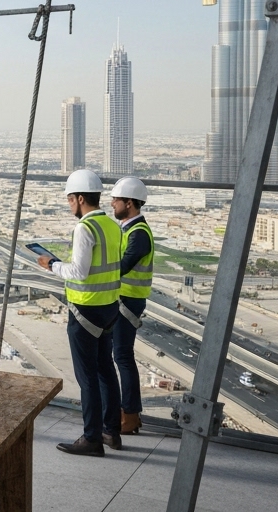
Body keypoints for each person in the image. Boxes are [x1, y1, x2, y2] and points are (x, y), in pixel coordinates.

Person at [36, 169, 123, 456]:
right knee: (106, 371)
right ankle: (111, 431)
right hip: (109, 307)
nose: (69, 205)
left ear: (80, 198)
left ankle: (91, 438)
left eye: (70, 199)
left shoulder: (85, 228)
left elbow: (79, 273)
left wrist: (51, 264)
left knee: (87, 379)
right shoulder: (112, 226)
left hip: (85, 310)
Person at [109, 176, 153, 435]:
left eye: (117, 200)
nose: (112, 204)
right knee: (120, 356)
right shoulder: (129, 230)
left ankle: (130, 415)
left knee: (123, 357)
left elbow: (122, 267)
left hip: (128, 301)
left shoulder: (138, 234)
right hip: (123, 299)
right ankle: (126, 413)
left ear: (130, 203)